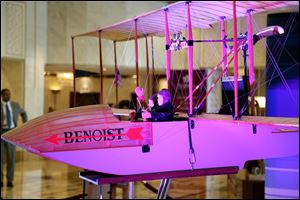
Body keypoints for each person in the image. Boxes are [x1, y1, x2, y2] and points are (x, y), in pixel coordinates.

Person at [1, 88, 27, 188]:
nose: (8, 96)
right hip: (2, 133)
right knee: (1, 159)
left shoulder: (15, 105)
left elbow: (24, 113)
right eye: (6, 94)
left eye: (9, 94)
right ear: (2, 96)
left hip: (12, 133)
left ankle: (10, 180)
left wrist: (25, 125)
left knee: (11, 158)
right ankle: (1, 180)